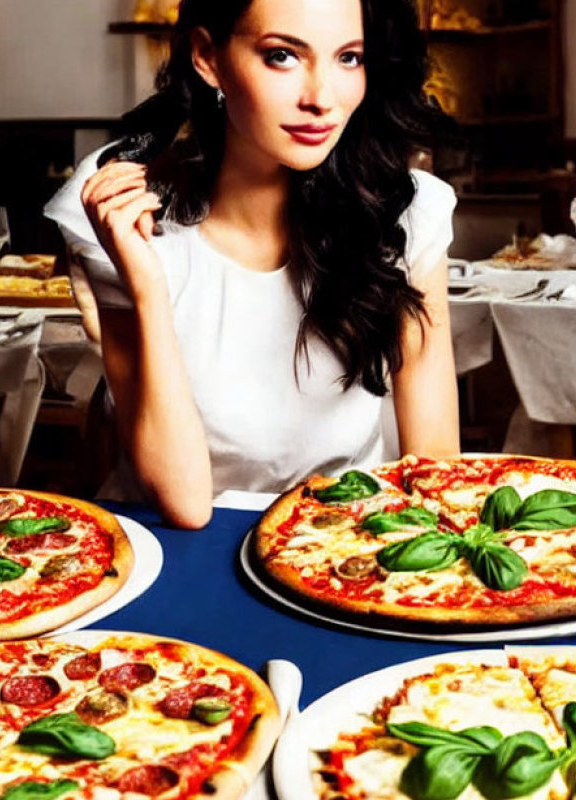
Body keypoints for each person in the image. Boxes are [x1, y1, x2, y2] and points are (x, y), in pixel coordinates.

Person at [46, 0, 460, 528]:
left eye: (349, 58)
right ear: (207, 57)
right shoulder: (123, 211)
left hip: (345, 551)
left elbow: (436, 471)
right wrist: (147, 287)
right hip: (173, 554)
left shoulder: (405, 213)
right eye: (283, 56)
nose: (322, 99)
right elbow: (186, 506)